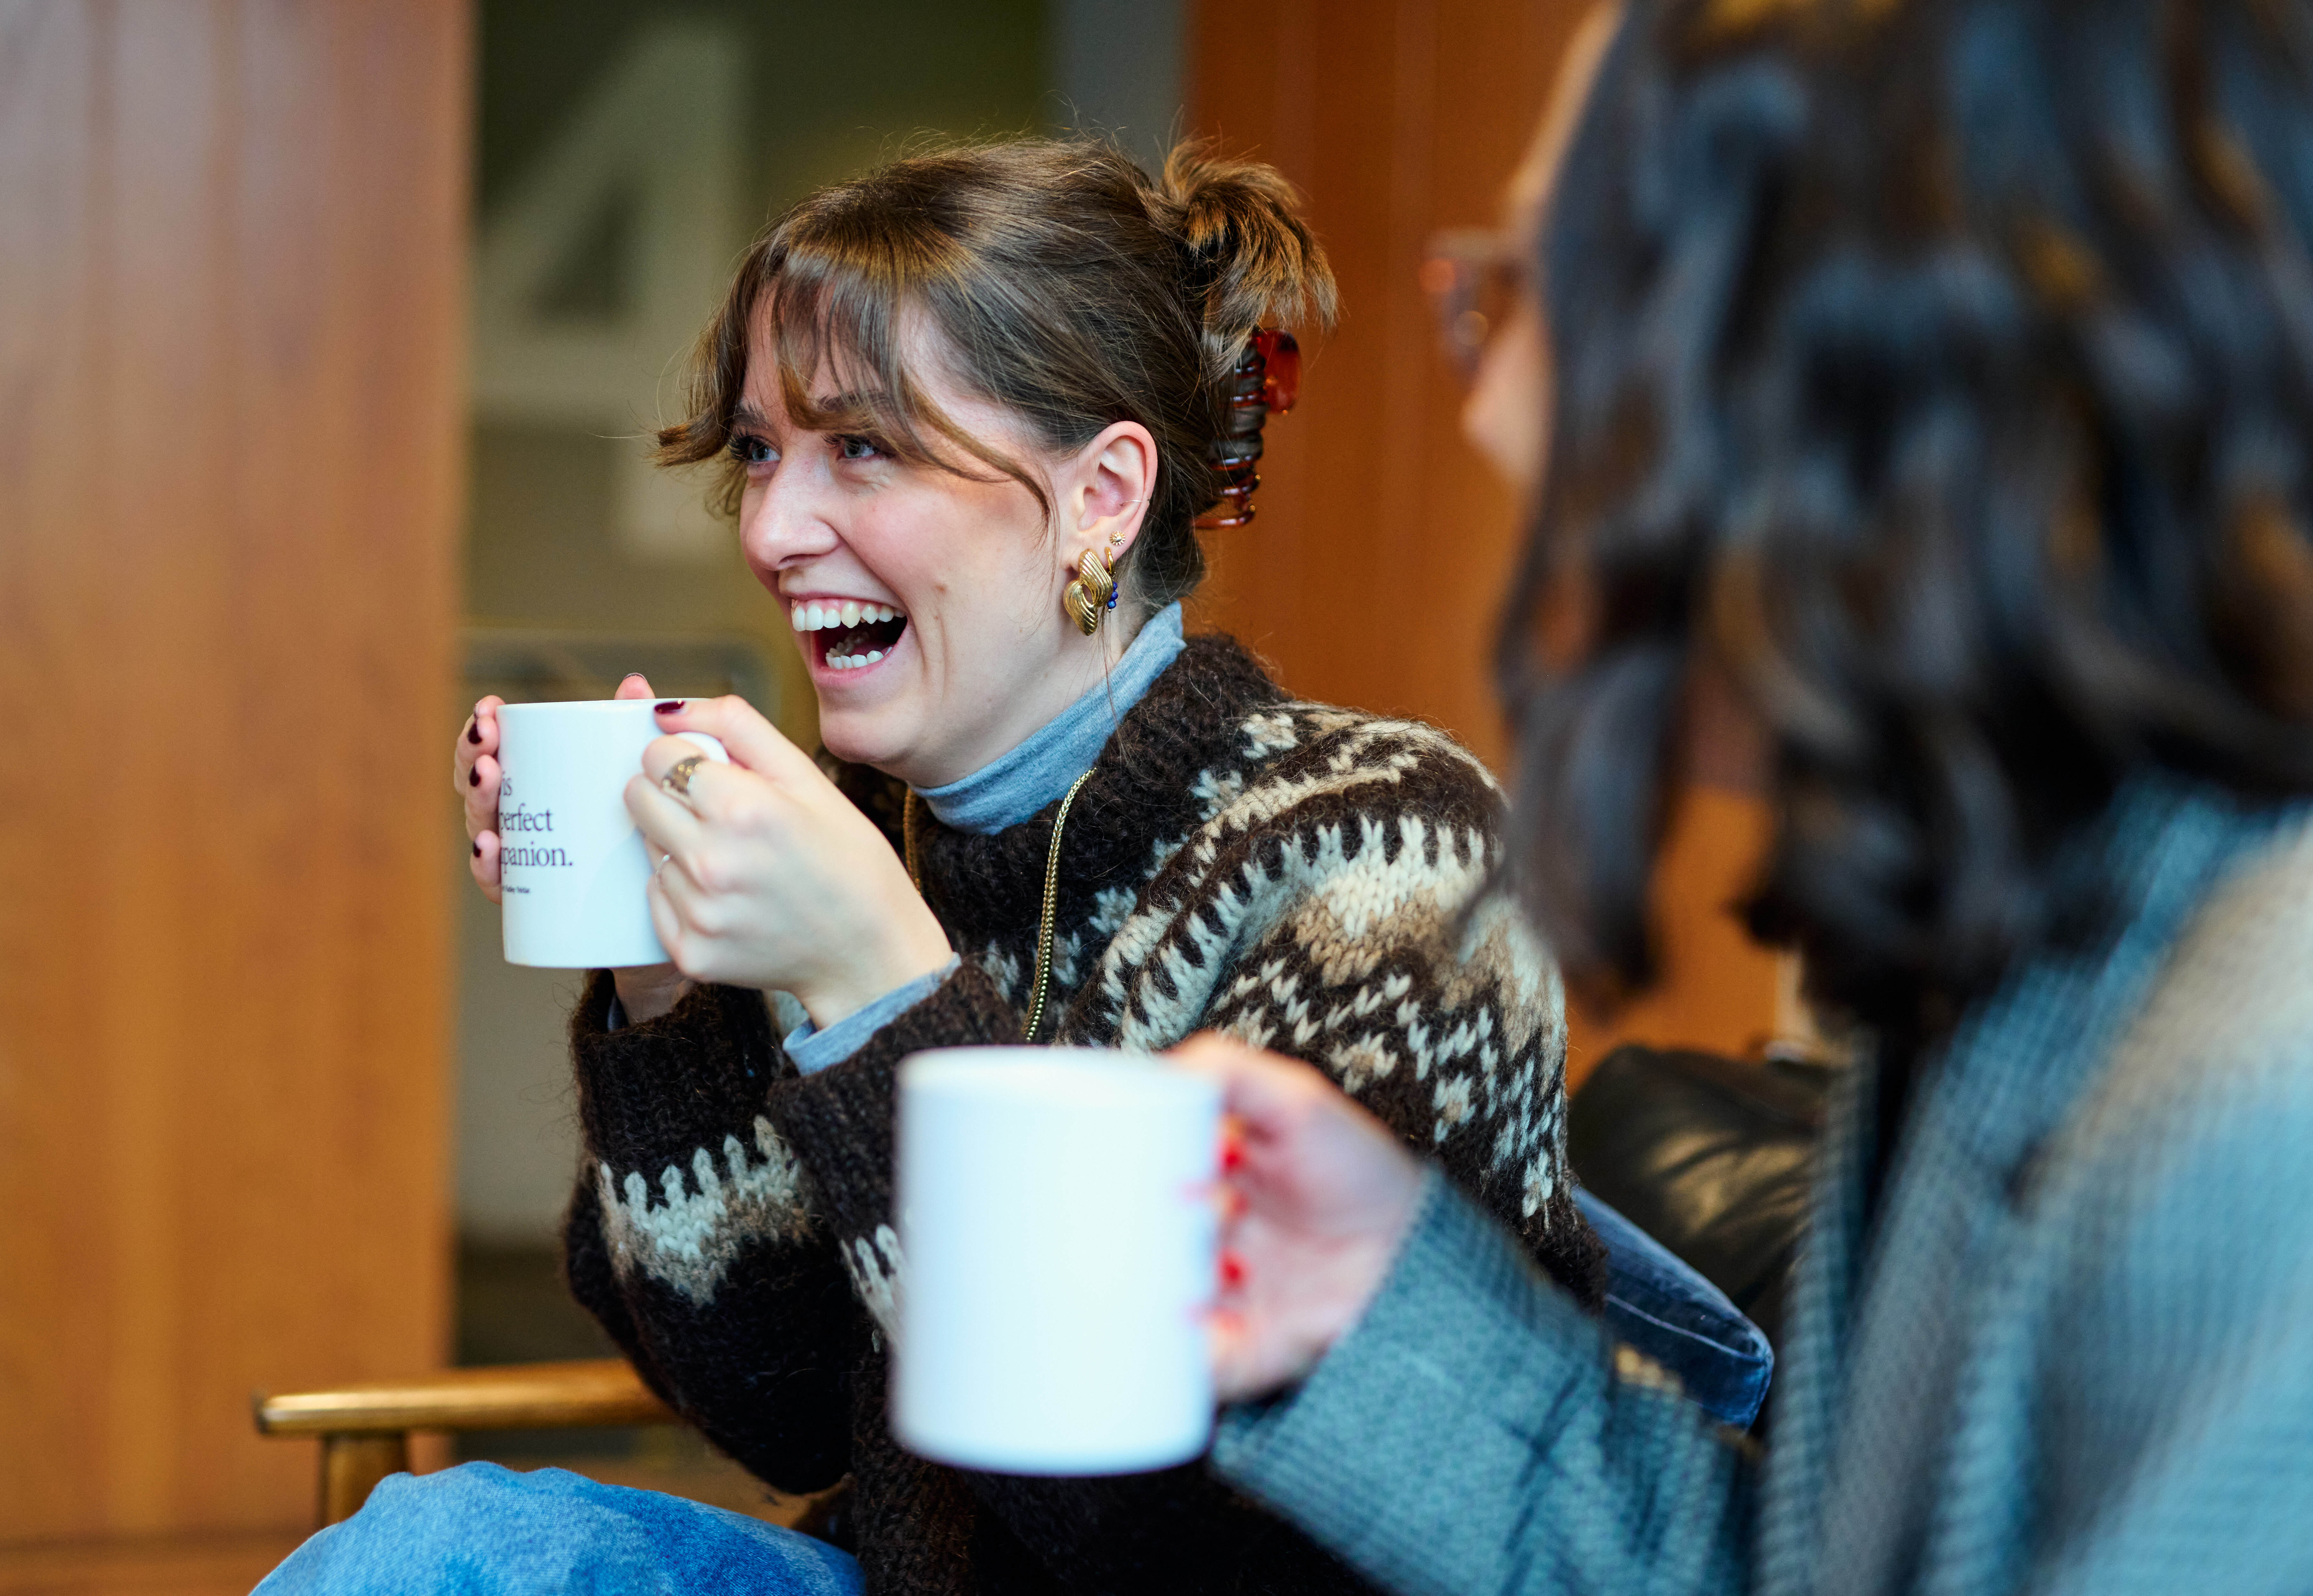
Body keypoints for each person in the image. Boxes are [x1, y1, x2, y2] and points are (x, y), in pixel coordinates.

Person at [259, 139, 1603, 1595]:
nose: (771, 531)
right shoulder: (864, 824)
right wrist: (659, 980)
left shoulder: (1385, 854)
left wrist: (877, 984)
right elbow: (777, 1408)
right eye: (763, 451)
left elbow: (1209, 1545)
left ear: (1102, 493)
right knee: (438, 1550)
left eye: (868, 447)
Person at [1183, 1, 2313, 1593]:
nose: (1489, 409)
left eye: (1539, 288)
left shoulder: (2263, 1118)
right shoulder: (1989, 981)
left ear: (1879, 368)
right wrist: (1376, 1295)